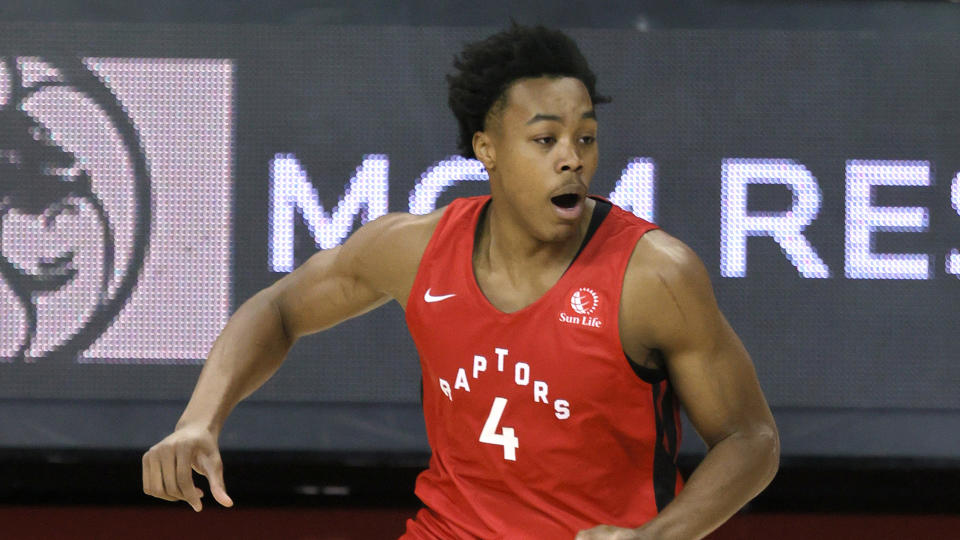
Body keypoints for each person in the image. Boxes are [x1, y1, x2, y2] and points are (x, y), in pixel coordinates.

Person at [142, 24, 779, 539]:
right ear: (487, 148)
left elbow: (750, 438)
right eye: (545, 138)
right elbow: (280, 308)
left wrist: (656, 539)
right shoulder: (416, 251)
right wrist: (200, 419)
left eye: (585, 137)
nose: (573, 158)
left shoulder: (653, 275)